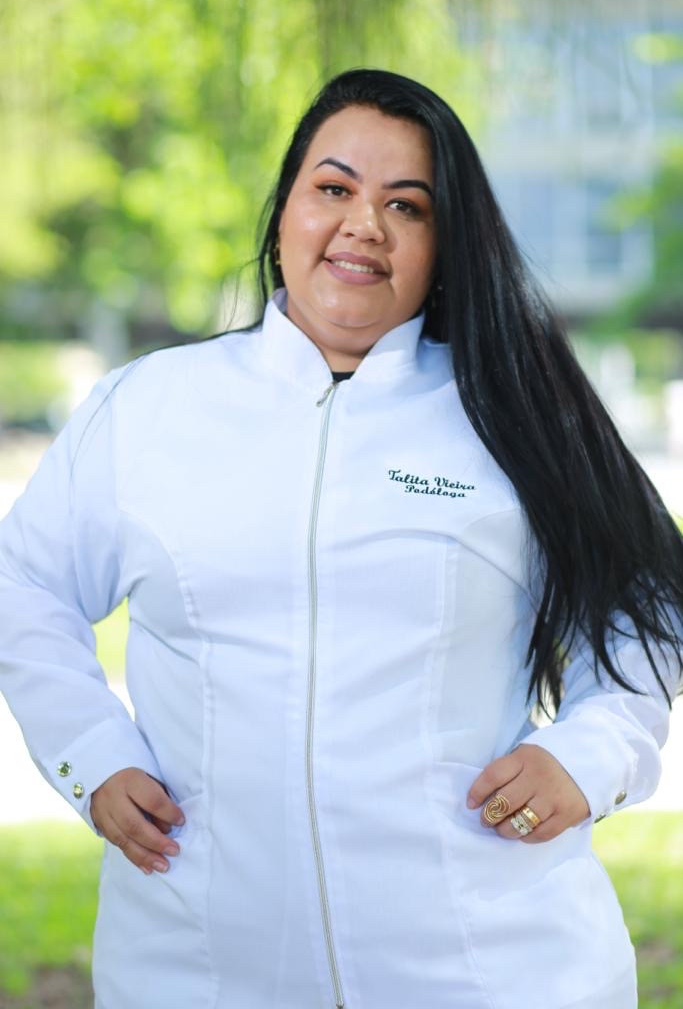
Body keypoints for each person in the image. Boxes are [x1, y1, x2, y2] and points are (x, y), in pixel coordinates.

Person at [0, 67, 681, 1009]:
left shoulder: (519, 414)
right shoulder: (149, 408)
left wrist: (591, 757)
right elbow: (24, 585)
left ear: (445, 246)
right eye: (333, 188)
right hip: (198, 966)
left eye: (406, 205)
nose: (365, 224)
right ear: (284, 210)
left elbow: (647, 605)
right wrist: (90, 750)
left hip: (490, 965)